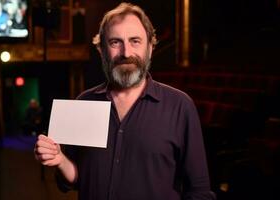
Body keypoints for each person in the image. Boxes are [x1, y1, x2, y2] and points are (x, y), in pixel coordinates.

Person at [34, 3, 215, 200]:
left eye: (135, 41)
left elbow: (199, 192)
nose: (126, 52)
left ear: (150, 48)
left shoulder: (180, 106)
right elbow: (79, 179)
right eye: (115, 42)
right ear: (102, 50)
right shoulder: (84, 103)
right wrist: (60, 159)